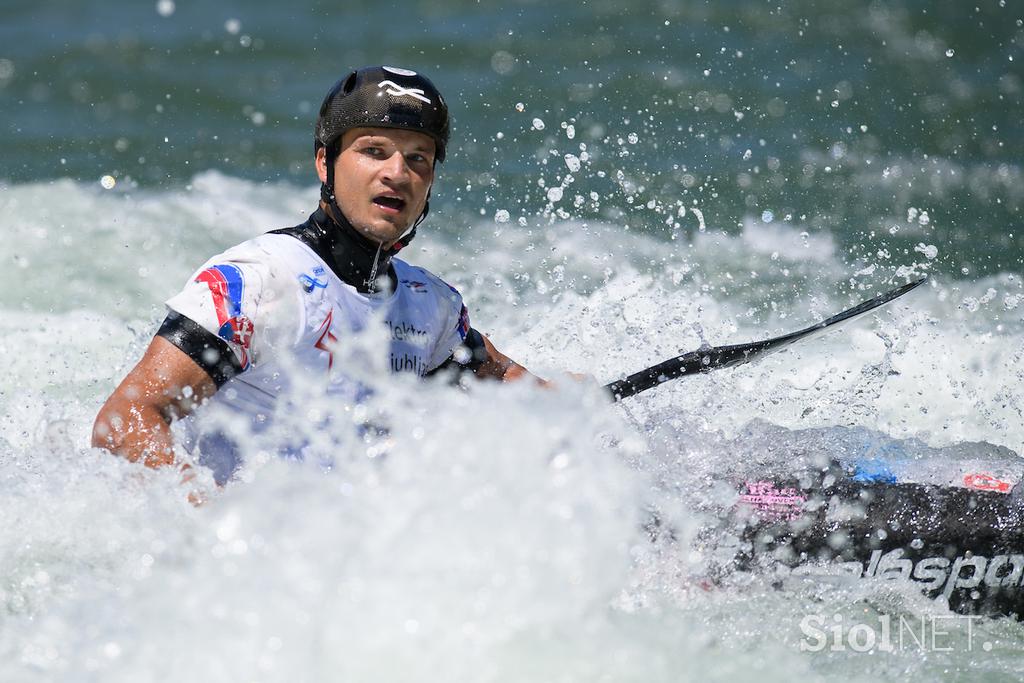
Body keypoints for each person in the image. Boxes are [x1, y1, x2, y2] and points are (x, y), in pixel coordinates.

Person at [92, 66, 542, 484]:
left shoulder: (432, 307)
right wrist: (209, 523)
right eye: (373, 151)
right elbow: (125, 419)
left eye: (418, 158)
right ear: (325, 163)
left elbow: (525, 395)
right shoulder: (256, 282)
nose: (397, 173)